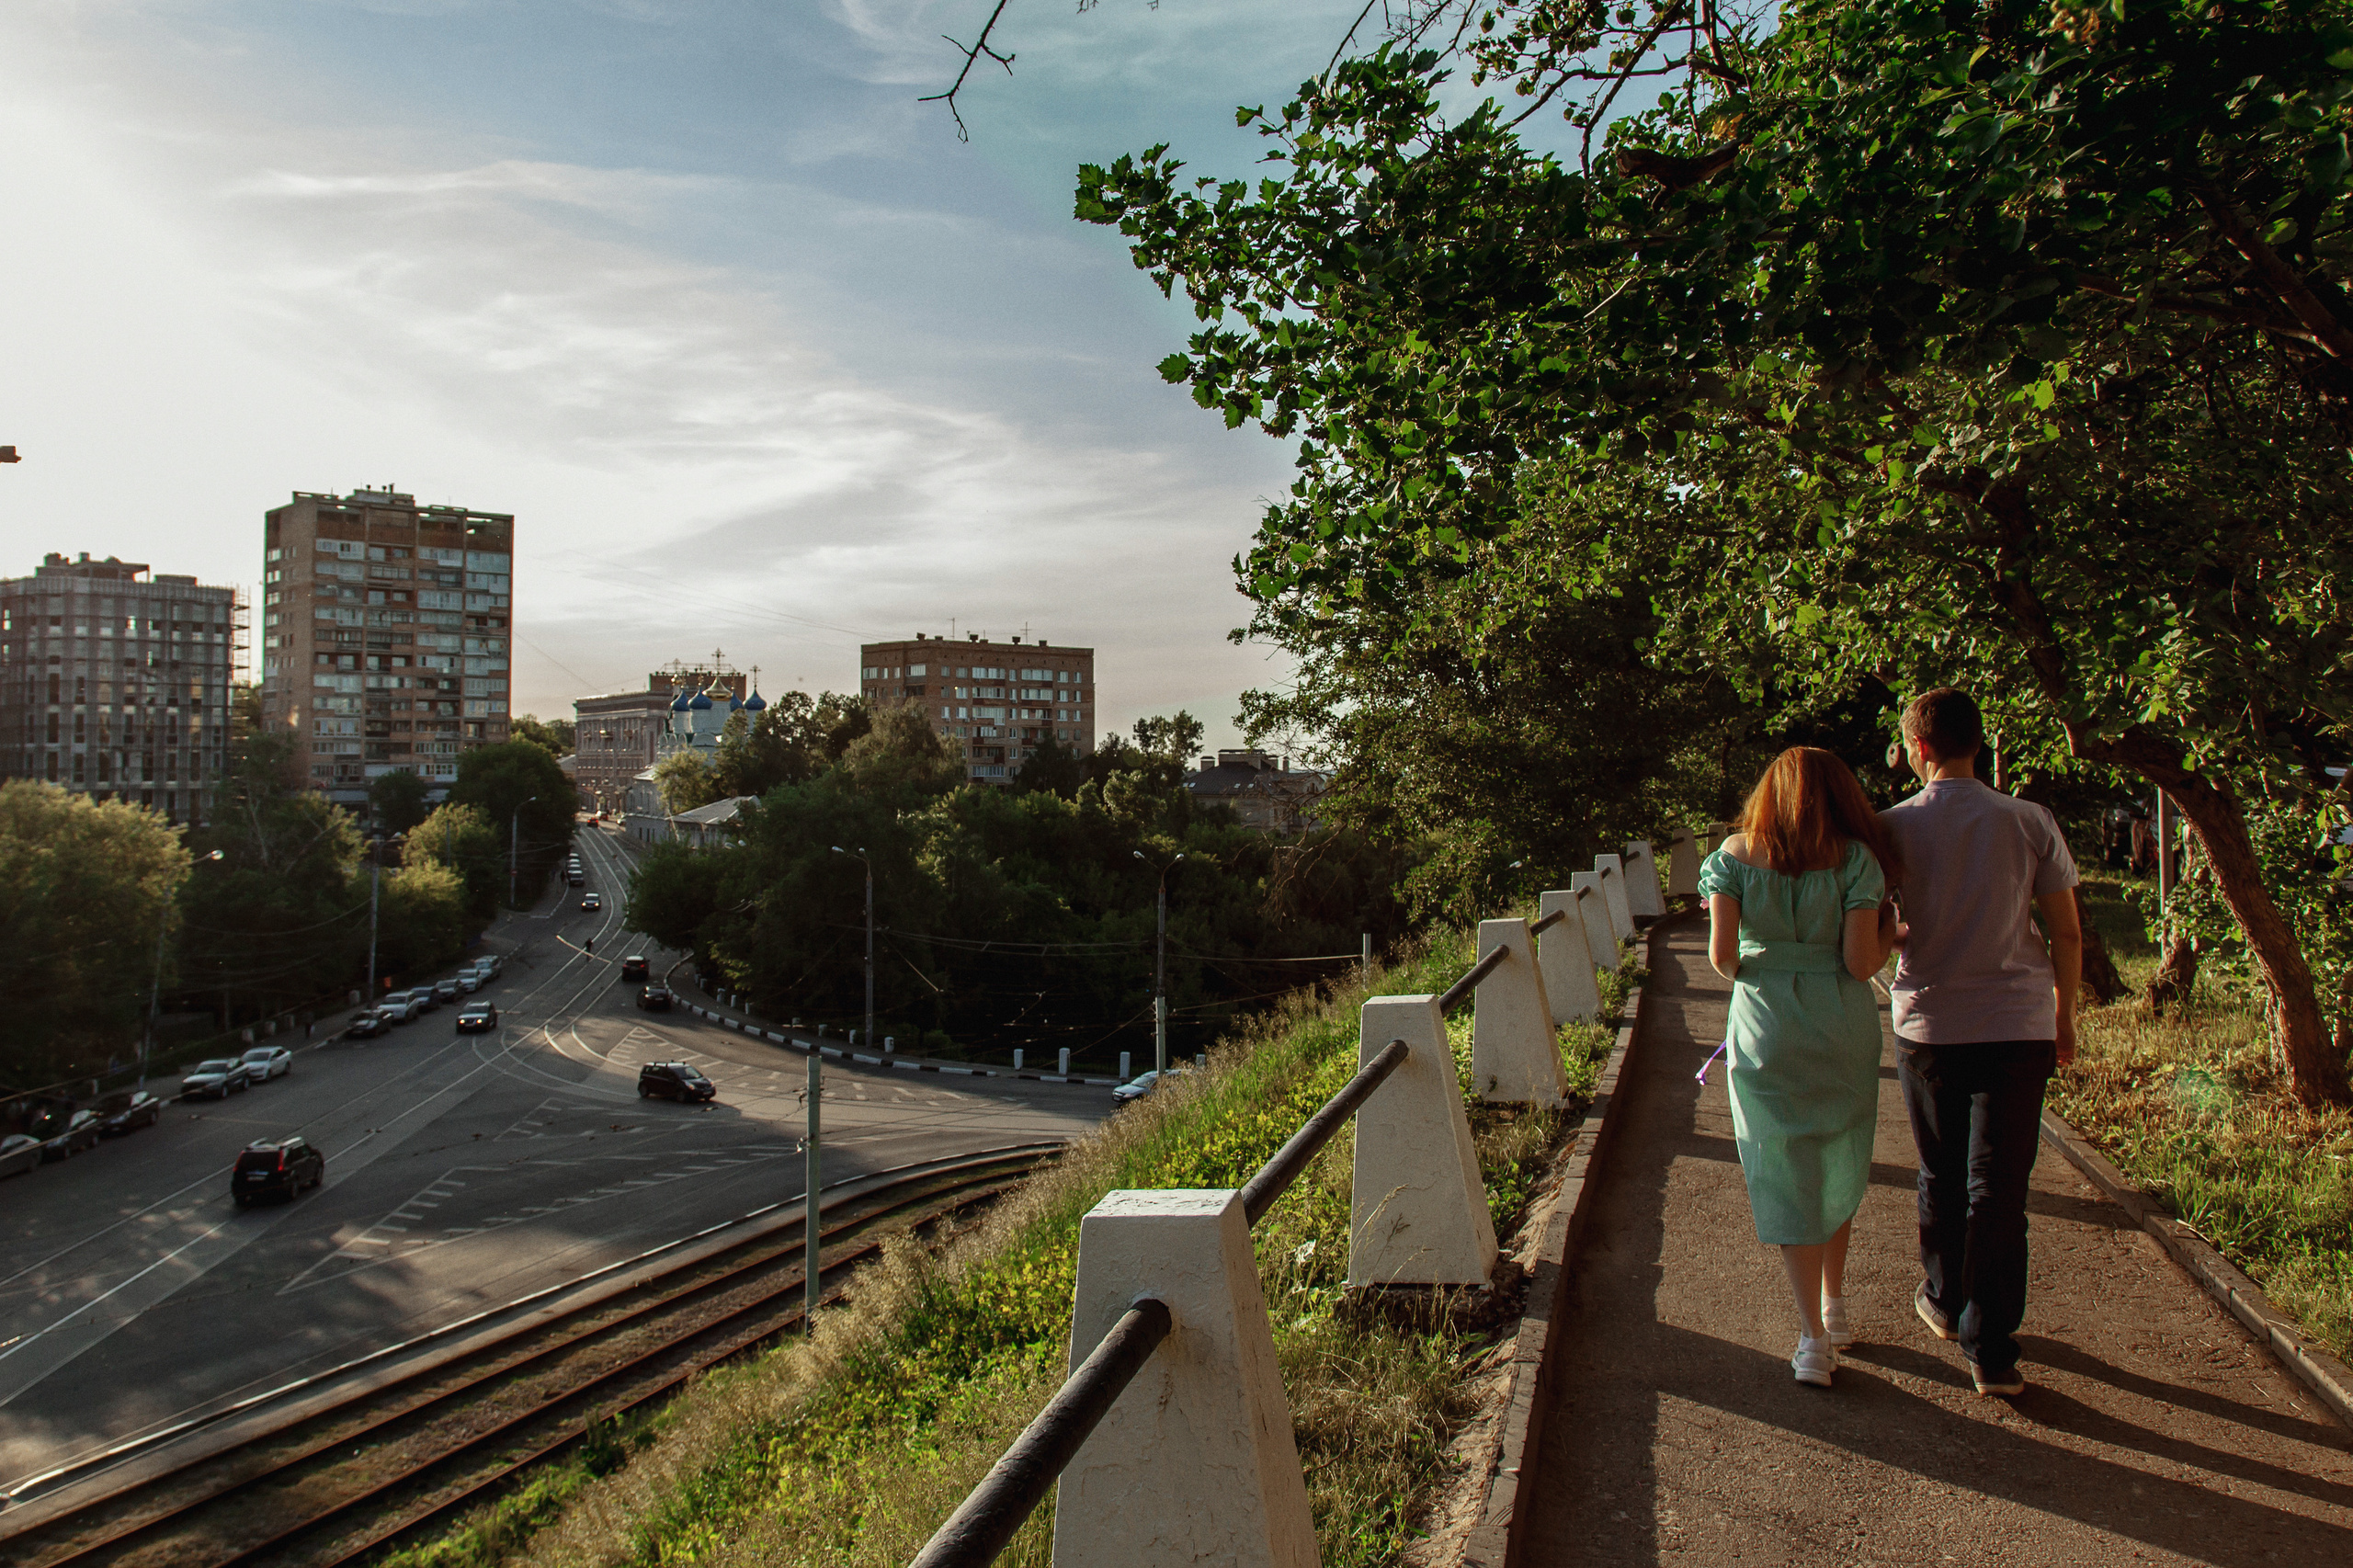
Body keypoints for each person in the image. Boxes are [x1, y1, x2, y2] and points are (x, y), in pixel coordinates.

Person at [1881, 687, 2081, 1398]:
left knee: (1941, 1171)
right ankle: (1991, 1351)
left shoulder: (1891, 828)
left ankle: (1943, 1300)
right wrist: (2064, 1016)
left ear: (1920, 748)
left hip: (1930, 1027)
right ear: (1978, 742)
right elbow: (2066, 931)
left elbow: (1877, 929)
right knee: (2000, 1186)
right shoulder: (2029, 820)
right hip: (2019, 1025)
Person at [1699, 747, 1902, 1389]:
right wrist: (1889, 933)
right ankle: (1835, 1304)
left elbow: (1723, 960)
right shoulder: (1856, 859)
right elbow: (1861, 964)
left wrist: (1763, 951)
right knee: (1838, 1152)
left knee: (1785, 1167)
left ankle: (1812, 1338)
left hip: (1766, 1025)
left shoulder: (1733, 856)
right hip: (1839, 1023)